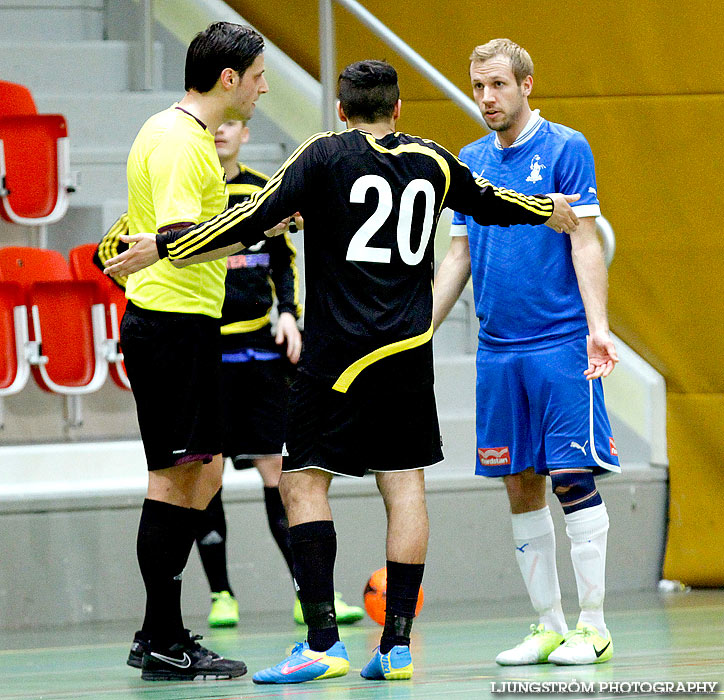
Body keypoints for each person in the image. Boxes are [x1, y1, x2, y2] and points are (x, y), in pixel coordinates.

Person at [104, 59, 580, 684]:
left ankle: (323, 641)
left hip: (338, 355)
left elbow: (244, 222)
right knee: (404, 483)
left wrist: (163, 246)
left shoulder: (323, 155)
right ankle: (399, 645)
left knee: (302, 481)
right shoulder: (433, 159)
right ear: (399, 110)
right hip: (408, 349)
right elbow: (490, 201)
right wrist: (549, 209)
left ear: (340, 111)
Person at [432, 38, 620, 667]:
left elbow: (585, 241)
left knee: (570, 475)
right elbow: (458, 255)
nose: (486, 97)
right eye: (478, 86)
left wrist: (598, 325)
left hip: (560, 342)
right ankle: (547, 625)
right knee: (519, 481)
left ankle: (593, 627)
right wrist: (419, 333)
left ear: (526, 85)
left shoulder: (567, 147)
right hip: (498, 349)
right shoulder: (469, 160)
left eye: (497, 85)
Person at [119, 21, 269, 682]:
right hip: (174, 323)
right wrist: (255, 227)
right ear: (229, 78)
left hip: (181, 323)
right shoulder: (186, 144)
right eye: (258, 75)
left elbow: (162, 234)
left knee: (200, 474)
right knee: (175, 477)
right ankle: (161, 638)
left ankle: (160, 632)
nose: (264, 87)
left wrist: (259, 220)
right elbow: (178, 236)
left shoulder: (166, 128)